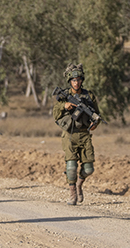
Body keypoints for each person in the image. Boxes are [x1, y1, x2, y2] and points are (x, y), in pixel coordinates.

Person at [52, 63, 102, 205]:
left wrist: (95, 123)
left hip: (84, 135)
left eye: (79, 79)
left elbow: (96, 113)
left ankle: (79, 184)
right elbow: (55, 114)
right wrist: (64, 105)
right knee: (71, 167)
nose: (76, 82)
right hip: (69, 135)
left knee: (89, 168)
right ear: (69, 81)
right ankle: (72, 191)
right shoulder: (65, 95)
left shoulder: (89, 95)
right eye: (74, 80)